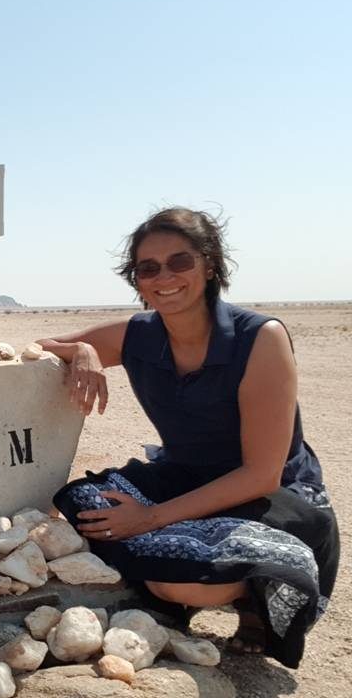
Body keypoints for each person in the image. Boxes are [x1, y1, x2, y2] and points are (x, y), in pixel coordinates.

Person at [38, 206, 339, 669]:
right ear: (136, 279)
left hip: (269, 493)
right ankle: (177, 571)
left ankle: (244, 601)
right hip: (186, 476)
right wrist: (82, 350)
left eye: (180, 262)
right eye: (148, 268)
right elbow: (37, 350)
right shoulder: (138, 334)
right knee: (84, 501)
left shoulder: (259, 338)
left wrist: (151, 518)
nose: (165, 277)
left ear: (210, 264)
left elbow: (261, 473)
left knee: (183, 582)